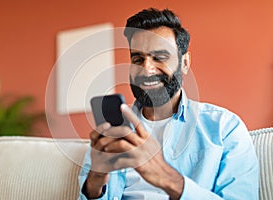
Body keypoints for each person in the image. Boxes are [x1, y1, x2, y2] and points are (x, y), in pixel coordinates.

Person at [79, 8, 259, 200]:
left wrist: (166, 177)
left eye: (160, 57)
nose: (147, 69)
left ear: (185, 63)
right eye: (138, 59)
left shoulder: (225, 128)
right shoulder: (111, 132)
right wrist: (95, 182)